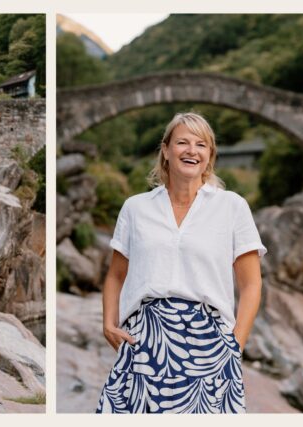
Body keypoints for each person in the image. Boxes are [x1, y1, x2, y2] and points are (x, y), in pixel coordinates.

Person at [96, 112, 266, 414]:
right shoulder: (136, 208)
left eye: (201, 144)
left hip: (210, 345)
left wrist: (235, 345)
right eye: (182, 142)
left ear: (210, 154)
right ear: (166, 150)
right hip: (144, 341)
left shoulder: (232, 207)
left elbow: (251, 284)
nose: (191, 151)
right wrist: (109, 323)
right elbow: (115, 275)